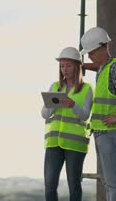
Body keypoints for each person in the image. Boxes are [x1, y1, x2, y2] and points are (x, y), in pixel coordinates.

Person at [79, 27, 116, 201]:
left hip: (111, 132)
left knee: (113, 181)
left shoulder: (115, 67)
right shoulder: (103, 70)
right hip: (102, 131)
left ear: (102, 47)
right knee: (108, 180)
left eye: (91, 52)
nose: (89, 56)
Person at [41, 47, 93, 201]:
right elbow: (44, 114)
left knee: (74, 185)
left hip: (75, 145)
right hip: (53, 143)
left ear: (77, 67)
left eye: (68, 66)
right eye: (62, 66)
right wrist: (52, 104)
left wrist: (72, 105)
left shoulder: (87, 89)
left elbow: (85, 115)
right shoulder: (54, 86)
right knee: (49, 186)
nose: (65, 69)